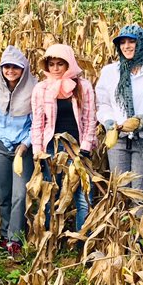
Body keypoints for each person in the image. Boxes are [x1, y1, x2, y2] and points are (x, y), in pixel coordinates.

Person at [95, 25, 143, 194]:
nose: (126, 46)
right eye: (122, 42)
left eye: (132, 41)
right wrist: (108, 120)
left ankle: (139, 221)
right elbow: (103, 104)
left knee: (138, 191)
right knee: (119, 190)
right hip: (118, 139)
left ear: (142, 43)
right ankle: (120, 221)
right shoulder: (110, 72)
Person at [30, 43, 96, 233]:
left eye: (60, 64)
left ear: (69, 64)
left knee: (84, 195)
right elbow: (38, 122)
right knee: (52, 193)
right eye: (52, 64)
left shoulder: (82, 86)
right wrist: (38, 150)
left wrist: (85, 147)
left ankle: (83, 237)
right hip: (52, 148)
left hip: (78, 149)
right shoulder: (41, 89)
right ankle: (52, 237)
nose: (56, 68)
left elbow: (90, 119)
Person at [0, 46, 36, 255]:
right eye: (6, 66)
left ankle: (16, 239)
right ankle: (5, 235)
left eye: (15, 67)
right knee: (4, 193)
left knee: (20, 194)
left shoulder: (34, 88)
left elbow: (37, 122)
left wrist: (26, 144)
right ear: (1, 68)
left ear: (23, 69)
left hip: (24, 146)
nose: (10, 70)